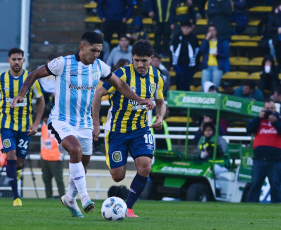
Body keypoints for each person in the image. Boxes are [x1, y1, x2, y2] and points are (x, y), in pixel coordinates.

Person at [11, 32, 154, 217]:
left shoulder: (100, 66)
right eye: (93, 50)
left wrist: (139, 99)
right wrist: (22, 94)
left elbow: (120, 85)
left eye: (99, 51)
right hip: (61, 120)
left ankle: (70, 198)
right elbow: (34, 74)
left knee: (82, 165)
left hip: (85, 123)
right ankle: (85, 198)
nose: (96, 55)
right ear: (82, 47)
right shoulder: (62, 63)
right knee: (75, 150)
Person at [92, 40, 166, 217]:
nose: (140, 64)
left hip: (140, 130)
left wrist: (160, 116)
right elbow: (98, 93)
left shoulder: (156, 77)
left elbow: (161, 102)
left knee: (145, 167)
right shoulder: (121, 74)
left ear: (151, 59)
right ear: (132, 58)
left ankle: (128, 208)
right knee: (118, 176)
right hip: (117, 131)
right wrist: (96, 123)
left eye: (144, 61)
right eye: (137, 60)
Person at [0, 47, 45, 207]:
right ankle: (16, 197)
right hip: (6, 125)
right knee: (10, 156)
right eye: (14, 59)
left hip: (25, 127)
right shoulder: (0, 79)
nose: (17, 62)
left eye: (19, 59)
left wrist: (36, 123)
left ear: (23, 60)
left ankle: (16, 170)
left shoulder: (31, 78)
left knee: (18, 163)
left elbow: (41, 100)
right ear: (9, 61)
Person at [246, 99, 281, 203]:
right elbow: (249, 129)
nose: (269, 111)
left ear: (275, 109)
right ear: (263, 109)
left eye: (272, 108)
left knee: (275, 185)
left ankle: (277, 208)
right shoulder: (258, 120)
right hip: (259, 159)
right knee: (255, 184)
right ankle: (250, 207)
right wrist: (259, 118)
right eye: (267, 108)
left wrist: (274, 122)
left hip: (276, 160)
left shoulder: (280, 119)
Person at [40, 109, 65, 199]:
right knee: (46, 179)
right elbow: (43, 141)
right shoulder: (43, 127)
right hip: (45, 157)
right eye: (44, 120)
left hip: (56, 157)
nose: (45, 121)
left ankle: (63, 197)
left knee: (59, 180)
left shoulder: (58, 127)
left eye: (47, 119)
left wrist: (62, 154)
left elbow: (63, 141)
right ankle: (48, 196)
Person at [169, 20, 199, 91]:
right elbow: (171, 51)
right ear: (181, 28)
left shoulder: (194, 38)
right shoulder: (177, 37)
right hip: (179, 63)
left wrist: (196, 65)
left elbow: (197, 53)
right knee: (179, 77)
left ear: (191, 29)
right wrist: (171, 64)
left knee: (187, 80)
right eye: (184, 28)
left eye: (187, 28)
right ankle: (178, 94)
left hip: (189, 64)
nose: (185, 30)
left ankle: (186, 95)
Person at [206, 0, 232, 73]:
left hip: (224, 34)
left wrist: (221, 3)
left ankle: (227, 76)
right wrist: (221, 11)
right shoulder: (210, 1)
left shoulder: (227, 1)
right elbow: (208, 12)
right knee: (211, 55)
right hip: (212, 34)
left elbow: (228, 12)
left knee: (225, 55)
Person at [200, 24, 227, 90]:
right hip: (206, 66)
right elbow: (201, 51)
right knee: (204, 88)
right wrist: (206, 39)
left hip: (217, 67)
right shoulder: (206, 41)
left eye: (213, 30)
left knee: (214, 88)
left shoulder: (220, 41)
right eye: (210, 30)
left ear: (216, 31)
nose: (212, 32)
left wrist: (218, 54)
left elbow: (225, 54)